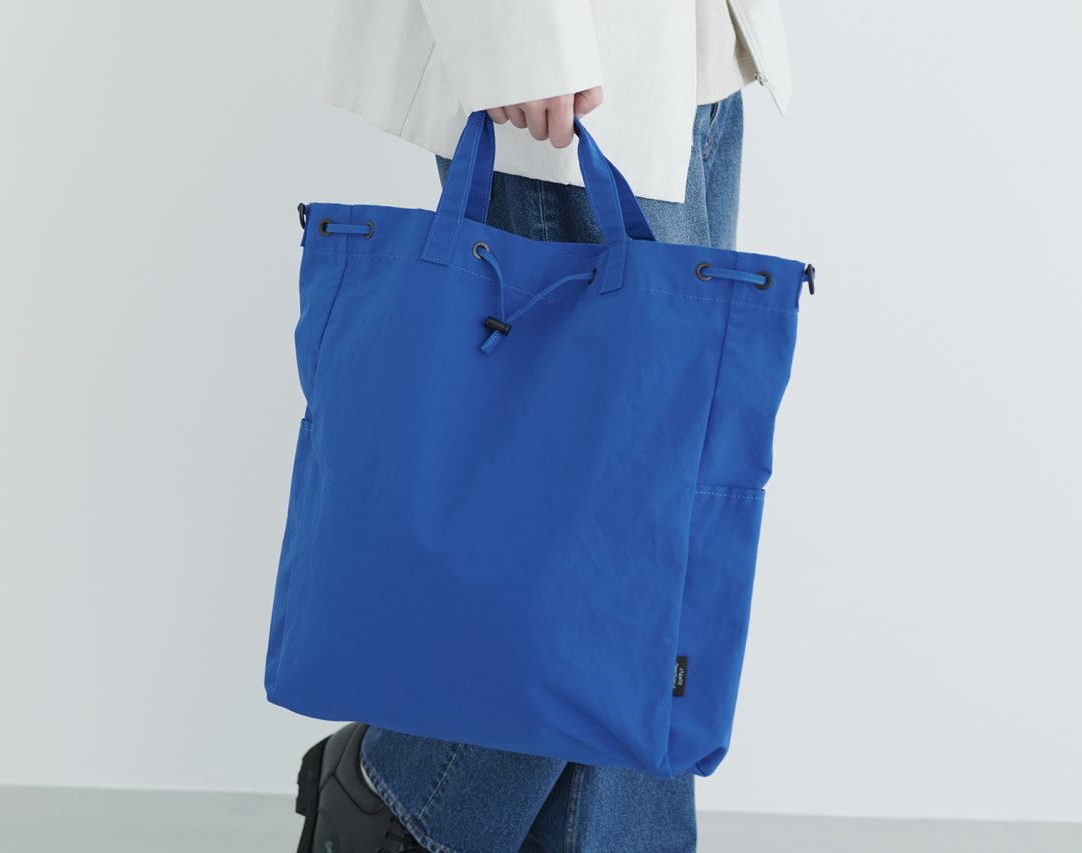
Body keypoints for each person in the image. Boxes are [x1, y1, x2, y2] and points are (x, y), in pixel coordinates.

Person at [292, 2, 792, 850]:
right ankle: (399, 794)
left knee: (646, 532)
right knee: (611, 547)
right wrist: (518, 31)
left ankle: (397, 788)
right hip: (572, 61)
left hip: (696, 57)